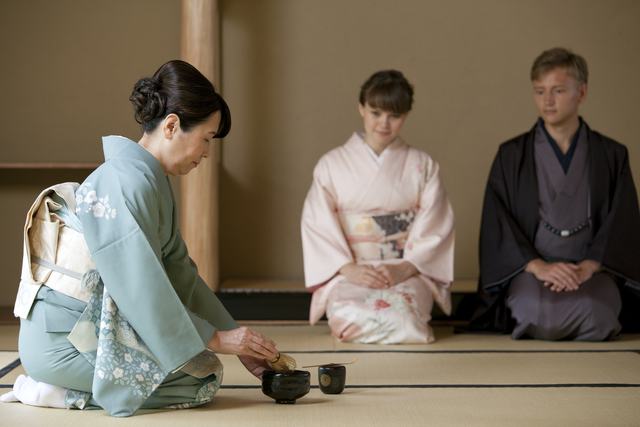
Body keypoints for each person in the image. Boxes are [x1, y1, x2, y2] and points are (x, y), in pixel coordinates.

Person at [1, 60, 281, 416]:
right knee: (198, 380)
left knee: (200, 362)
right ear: (172, 125)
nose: (207, 153)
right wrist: (214, 339)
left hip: (87, 331)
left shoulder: (149, 180)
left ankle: (65, 386)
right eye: (206, 139)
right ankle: (53, 391)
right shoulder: (126, 181)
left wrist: (234, 337)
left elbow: (180, 273)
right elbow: (139, 285)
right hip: (63, 340)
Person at [470, 48, 640, 340]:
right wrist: (539, 266)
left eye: (558, 91)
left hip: (592, 271)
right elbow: (497, 221)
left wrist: (589, 265)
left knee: (597, 314)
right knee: (535, 313)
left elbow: (622, 220)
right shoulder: (511, 155)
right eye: (539, 91)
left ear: (581, 92)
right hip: (533, 272)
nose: (547, 101)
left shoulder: (611, 154)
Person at [301, 70, 455, 344]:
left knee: (406, 318)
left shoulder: (422, 165)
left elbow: (436, 221)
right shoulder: (332, 164)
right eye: (376, 113)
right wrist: (348, 269)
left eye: (394, 116)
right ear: (361, 108)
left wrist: (405, 267)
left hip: (404, 270)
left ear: (406, 115)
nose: (384, 123)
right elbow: (317, 222)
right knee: (349, 318)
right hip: (352, 270)